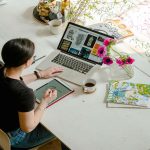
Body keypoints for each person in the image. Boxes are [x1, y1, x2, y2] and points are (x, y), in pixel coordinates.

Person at [0, 38, 64, 149]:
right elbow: (27, 127)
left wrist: (40, 74)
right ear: (27, 62)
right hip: (15, 138)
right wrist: (44, 102)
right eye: (33, 56)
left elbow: (13, 82)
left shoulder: (2, 70)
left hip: (2, 127)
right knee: (62, 128)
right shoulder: (25, 93)